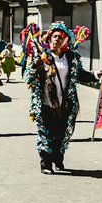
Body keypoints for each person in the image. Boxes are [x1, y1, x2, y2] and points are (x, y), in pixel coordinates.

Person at [25, 23, 83, 174]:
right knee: (46, 133)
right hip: (45, 103)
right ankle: (46, 164)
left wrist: (97, 75)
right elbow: (29, 79)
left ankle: (58, 159)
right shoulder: (43, 56)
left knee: (61, 134)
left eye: (61, 37)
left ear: (66, 41)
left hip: (65, 103)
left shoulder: (71, 57)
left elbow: (80, 75)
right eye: (54, 36)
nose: (57, 39)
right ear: (49, 38)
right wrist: (35, 65)